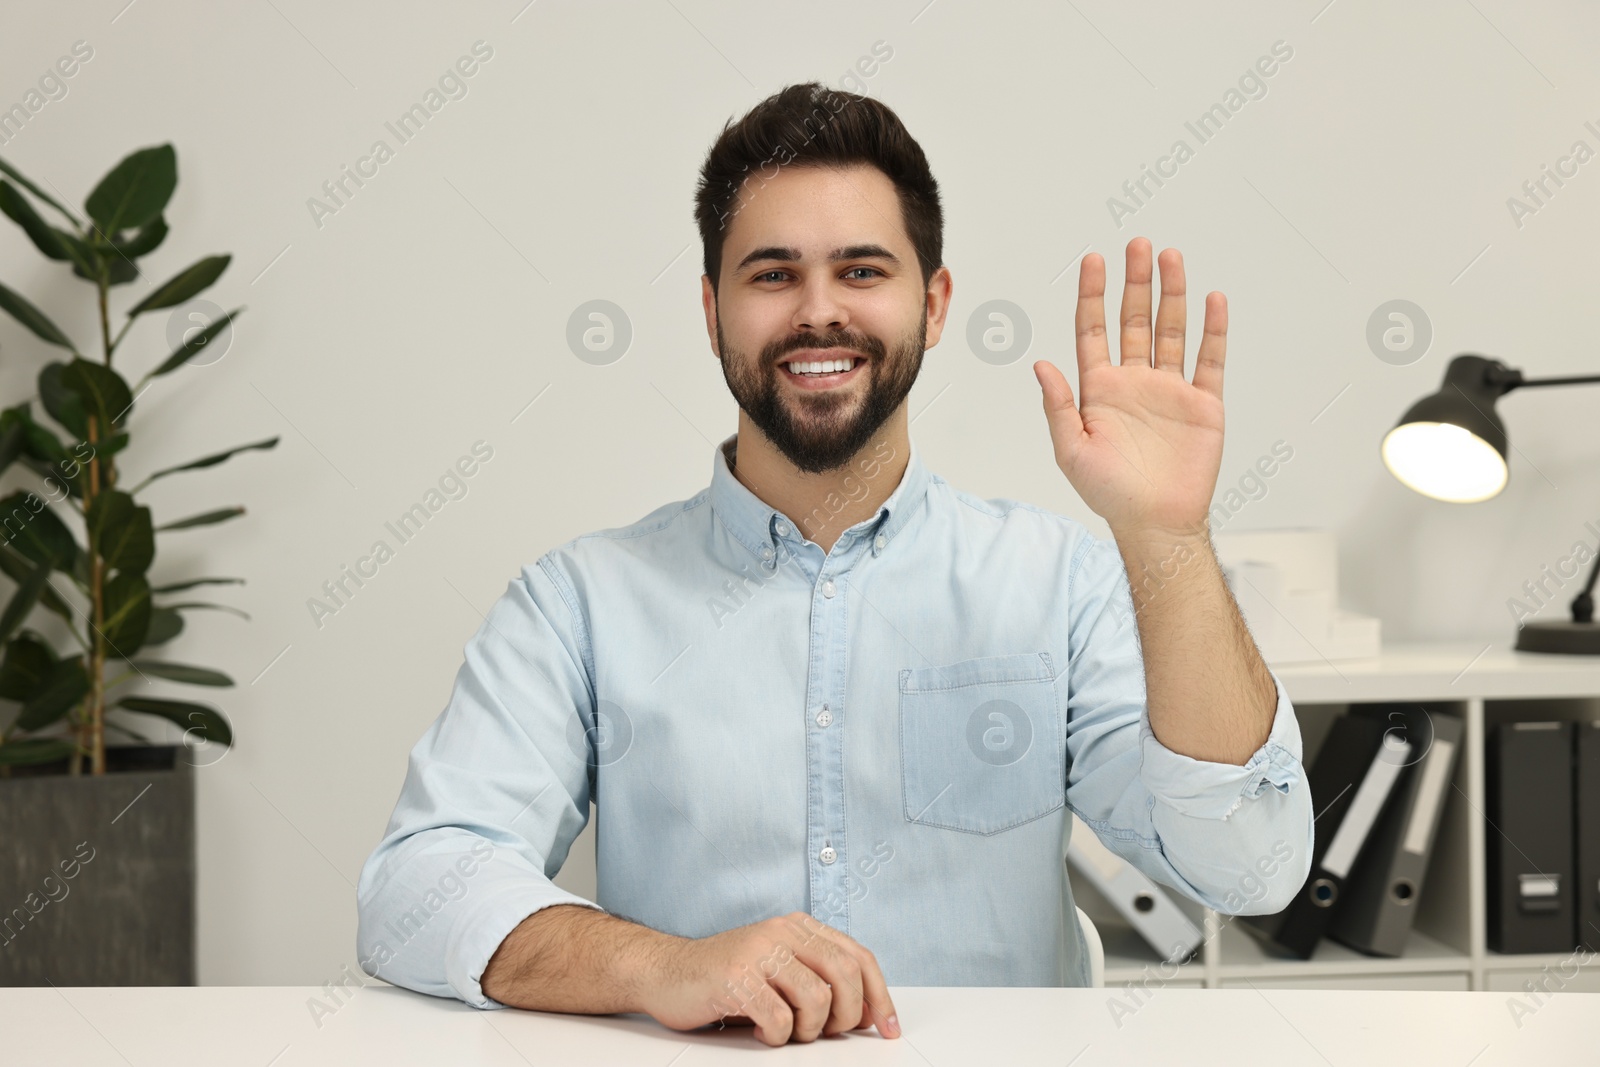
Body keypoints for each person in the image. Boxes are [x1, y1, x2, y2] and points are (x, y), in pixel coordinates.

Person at [355, 81, 1313, 1048]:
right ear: (712, 309)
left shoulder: (1059, 586)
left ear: (933, 304)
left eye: (862, 271)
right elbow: (416, 887)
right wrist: (667, 965)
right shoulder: (579, 603)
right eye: (772, 275)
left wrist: (1169, 539)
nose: (819, 313)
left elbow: (1250, 869)